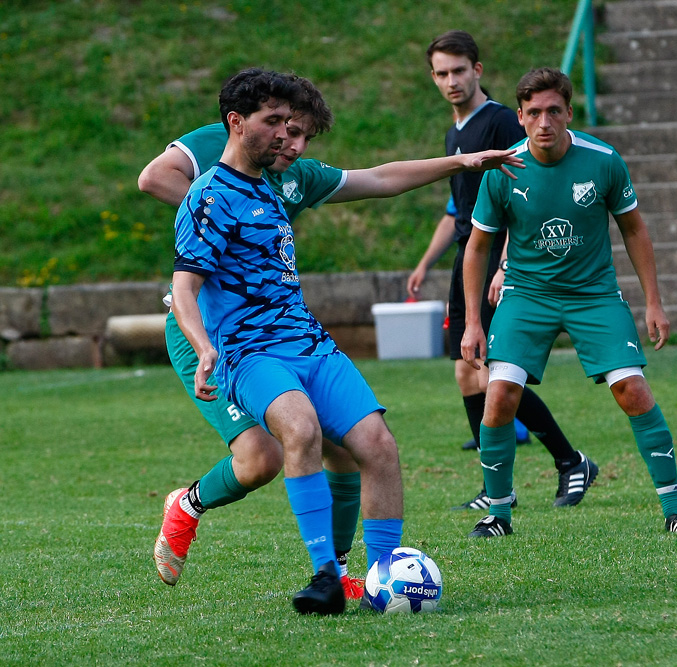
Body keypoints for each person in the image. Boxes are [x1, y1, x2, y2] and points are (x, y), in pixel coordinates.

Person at [165, 68, 522, 615]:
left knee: (377, 446)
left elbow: (379, 178)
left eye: (293, 125)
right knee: (299, 428)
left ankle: (380, 577)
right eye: (275, 123)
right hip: (249, 351)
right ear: (236, 124)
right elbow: (184, 287)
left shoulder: (282, 180)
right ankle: (325, 577)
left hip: (306, 342)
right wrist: (203, 345)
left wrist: (462, 162)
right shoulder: (208, 196)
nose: (288, 136)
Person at [460, 67, 677, 538]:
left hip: (594, 294)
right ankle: (499, 514)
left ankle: (675, 510)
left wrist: (654, 302)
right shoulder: (504, 168)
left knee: (632, 390)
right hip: (527, 295)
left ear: (569, 112)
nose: (544, 122)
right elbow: (478, 245)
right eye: (533, 113)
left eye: (554, 111)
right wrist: (473, 321)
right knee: (500, 395)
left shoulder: (603, 160)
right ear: (520, 117)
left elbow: (634, 228)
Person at [408, 30, 599, 512]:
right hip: (467, 255)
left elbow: (525, 191)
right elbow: (458, 210)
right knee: (467, 374)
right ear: (433, 77)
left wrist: (508, 262)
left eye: (459, 70)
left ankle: (568, 460)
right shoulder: (455, 132)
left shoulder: (499, 123)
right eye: (442, 73)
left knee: (497, 373)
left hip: (497, 258)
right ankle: (496, 482)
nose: (452, 81)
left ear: (478, 70)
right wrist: (426, 261)